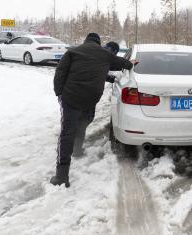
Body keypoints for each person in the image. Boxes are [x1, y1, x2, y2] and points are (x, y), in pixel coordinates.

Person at [51, 33, 134, 188]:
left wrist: (59, 93)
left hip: (70, 98)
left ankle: (62, 175)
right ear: (98, 42)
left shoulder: (73, 52)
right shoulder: (105, 55)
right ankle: (77, 150)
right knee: (83, 123)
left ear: (86, 41)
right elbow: (123, 63)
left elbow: (59, 73)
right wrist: (131, 63)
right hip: (90, 99)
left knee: (67, 132)